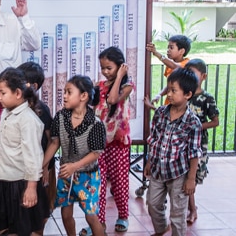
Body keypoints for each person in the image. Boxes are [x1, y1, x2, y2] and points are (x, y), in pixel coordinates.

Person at [43, 75, 107, 236]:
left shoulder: (95, 123)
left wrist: (74, 166)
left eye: (69, 92)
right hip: (66, 174)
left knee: (91, 217)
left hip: (88, 177)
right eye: (64, 92)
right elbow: (54, 143)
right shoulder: (60, 117)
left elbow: (95, 153)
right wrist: (43, 165)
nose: (64, 96)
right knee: (65, 213)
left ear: (83, 96)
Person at [0, 67, 49, 235]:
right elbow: (4, 148)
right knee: (5, 227)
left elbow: (33, 156)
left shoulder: (27, 119)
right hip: (5, 180)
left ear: (17, 93)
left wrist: (31, 188)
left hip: (21, 183)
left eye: (2, 93)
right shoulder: (6, 113)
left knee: (25, 228)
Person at [145, 68, 202, 236]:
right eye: (168, 89)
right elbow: (153, 139)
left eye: (173, 90)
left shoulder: (193, 122)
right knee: (152, 204)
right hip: (157, 170)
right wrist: (149, 161)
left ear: (187, 94)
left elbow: (194, 153)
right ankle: (161, 228)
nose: (168, 94)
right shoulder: (160, 113)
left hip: (179, 174)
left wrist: (191, 179)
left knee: (178, 214)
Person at [89, 47, 134, 235]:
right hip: (98, 142)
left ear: (120, 66)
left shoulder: (127, 85)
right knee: (97, 184)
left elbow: (113, 99)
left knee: (119, 182)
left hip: (118, 142)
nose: (105, 72)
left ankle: (123, 216)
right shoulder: (97, 85)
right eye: (103, 68)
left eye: (109, 68)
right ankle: (98, 224)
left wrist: (120, 76)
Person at [18, 61, 56, 212]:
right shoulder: (17, 108)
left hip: (42, 165)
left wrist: (45, 166)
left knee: (42, 207)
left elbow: (51, 141)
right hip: (25, 165)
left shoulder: (42, 110)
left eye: (21, 82)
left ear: (33, 86)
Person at [184, 59, 220, 224]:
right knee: (186, 175)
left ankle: (191, 208)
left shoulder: (207, 98)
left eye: (194, 73)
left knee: (194, 176)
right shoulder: (184, 94)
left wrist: (196, 127)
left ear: (203, 76)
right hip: (183, 143)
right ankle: (191, 208)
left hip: (199, 144)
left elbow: (215, 121)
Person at [146, 35, 192, 106]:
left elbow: (176, 66)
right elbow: (169, 85)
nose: (168, 50)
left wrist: (156, 53)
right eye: (168, 47)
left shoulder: (187, 64)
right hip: (169, 104)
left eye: (171, 47)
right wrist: (159, 95)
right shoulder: (169, 65)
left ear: (182, 51)